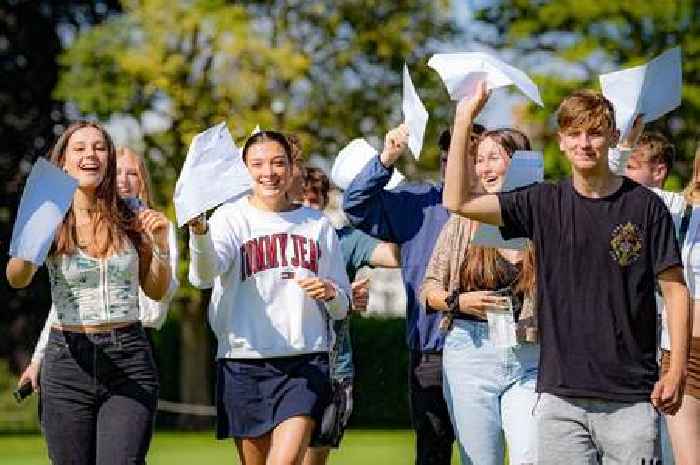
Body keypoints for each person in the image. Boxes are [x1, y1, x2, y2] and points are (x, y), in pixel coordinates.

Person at [442, 82, 690, 465]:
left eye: (594, 133)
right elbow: (458, 201)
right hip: (560, 399)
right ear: (561, 141)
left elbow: (675, 292)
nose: (585, 143)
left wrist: (674, 372)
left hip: (631, 398)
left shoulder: (645, 207)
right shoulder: (542, 202)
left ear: (611, 136)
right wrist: (463, 119)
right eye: (574, 134)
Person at [6, 121, 172, 465]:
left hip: (129, 357)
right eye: (79, 148)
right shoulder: (49, 214)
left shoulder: (133, 214)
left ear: (109, 159)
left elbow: (154, 290)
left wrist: (160, 246)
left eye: (99, 147)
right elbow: (17, 279)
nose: (90, 155)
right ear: (64, 161)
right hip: (67, 360)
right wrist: (29, 245)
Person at [187, 130, 351, 465]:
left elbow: (342, 303)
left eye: (278, 163)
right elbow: (203, 276)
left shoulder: (317, 225)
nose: (269, 172)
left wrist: (332, 293)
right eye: (258, 164)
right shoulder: (230, 218)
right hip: (242, 362)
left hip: (304, 362)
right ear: (245, 170)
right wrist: (200, 233)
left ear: (292, 168)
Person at [342, 124, 484, 465]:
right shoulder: (417, 203)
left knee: (483, 451)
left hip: (490, 347)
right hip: (431, 349)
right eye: (451, 159)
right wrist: (387, 157)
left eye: (469, 158)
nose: (458, 168)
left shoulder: (501, 206)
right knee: (432, 449)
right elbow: (356, 205)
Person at [18, 146, 180, 393]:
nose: (124, 181)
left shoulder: (158, 227)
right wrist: (37, 359)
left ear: (143, 181)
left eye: (132, 174)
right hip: (81, 338)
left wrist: (156, 249)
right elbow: (65, 303)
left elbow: (164, 293)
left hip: (135, 338)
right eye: (117, 173)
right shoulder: (82, 225)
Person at [421, 128, 539, 465]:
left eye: (494, 158)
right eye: (479, 160)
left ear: (519, 163)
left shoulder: (545, 217)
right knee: (480, 460)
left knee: (531, 455)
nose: (485, 168)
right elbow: (428, 288)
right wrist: (460, 302)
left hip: (530, 356)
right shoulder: (463, 221)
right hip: (470, 354)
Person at [300, 167, 400, 465]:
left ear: (324, 201)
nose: (308, 207)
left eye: (314, 200)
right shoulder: (273, 240)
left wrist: (396, 206)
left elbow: (398, 255)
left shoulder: (347, 240)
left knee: (315, 459)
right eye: (301, 200)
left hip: (334, 366)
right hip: (287, 362)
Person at [609, 127, 691, 464]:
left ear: (658, 171)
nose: (621, 176)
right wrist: (623, 145)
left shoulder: (674, 206)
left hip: (670, 335)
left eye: (631, 167)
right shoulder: (618, 207)